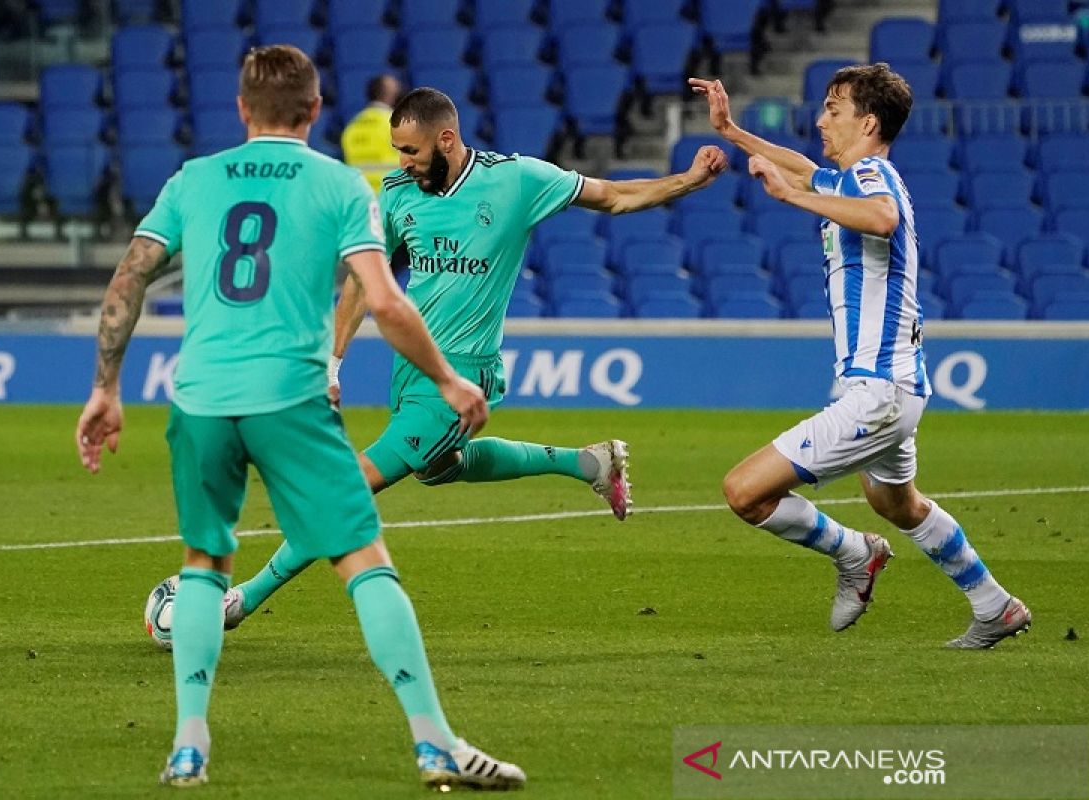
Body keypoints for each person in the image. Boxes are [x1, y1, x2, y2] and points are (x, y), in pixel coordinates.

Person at [75, 46, 526, 790]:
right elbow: (384, 300)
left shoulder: (195, 179)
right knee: (364, 561)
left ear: (242, 109)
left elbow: (129, 279)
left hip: (201, 397)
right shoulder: (341, 185)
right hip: (290, 397)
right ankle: (434, 742)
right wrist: (447, 377)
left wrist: (104, 387)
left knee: (203, 562)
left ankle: (189, 744)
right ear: (315, 111)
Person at [223, 87, 729, 629]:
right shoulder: (397, 194)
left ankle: (239, 600)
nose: (402, 162)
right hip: (411, 369)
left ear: (446, 139)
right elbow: (361, 283)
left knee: (346, 486)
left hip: (462, 378)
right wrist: (331, 364)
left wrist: (689, 180)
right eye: (398, 150)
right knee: (437, 471)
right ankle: (589, 463)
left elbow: (611, 196)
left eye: (411, 151)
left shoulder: (515, 180)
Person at [689, 65, 1031, 649]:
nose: (820, 119)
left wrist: (791, 195)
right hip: (897, 386)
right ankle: (995, 606)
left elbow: (881, 218)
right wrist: (733, 131)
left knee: (744, 492)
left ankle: (856, 554)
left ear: (867, 122)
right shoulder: (850, 178)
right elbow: (806, 169)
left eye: (833, 109)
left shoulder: (872, 176)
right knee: (896, 502)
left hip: (878, 390)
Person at [341, 74, 403, 193]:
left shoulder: (352, 126)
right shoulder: (397, 124)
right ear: (391, 95)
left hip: (360, 195)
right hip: (390, 196)